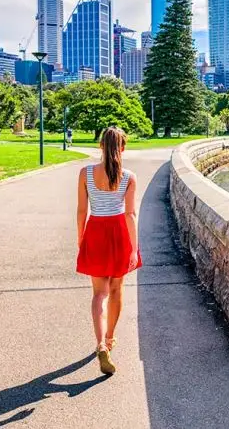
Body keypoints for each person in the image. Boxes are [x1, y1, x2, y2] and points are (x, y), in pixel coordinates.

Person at [76, 126, 141, 374]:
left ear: (100, 146)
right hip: (119, 233)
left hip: (95, 231)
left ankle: (100, 343)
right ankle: (110, 340)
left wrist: (81, 240)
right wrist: (134, 249)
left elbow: (82, 211)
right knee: (116, 289)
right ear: (123, 148)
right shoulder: (128, 177)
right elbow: (130, 214)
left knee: (99, 294)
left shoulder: (86, 173)